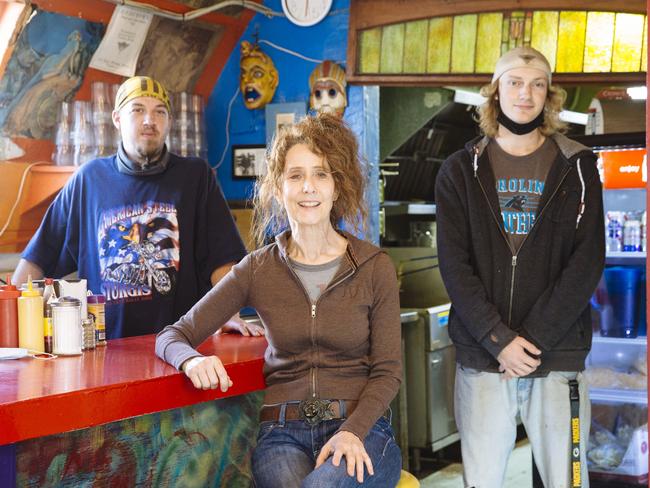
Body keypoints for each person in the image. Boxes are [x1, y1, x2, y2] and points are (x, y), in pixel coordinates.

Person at [155, 114, 403, 487]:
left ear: (337, 188)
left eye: (321, 174)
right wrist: (190, 360)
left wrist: (352, 431)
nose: (308, 188)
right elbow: (172, 335)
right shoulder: (257, 268)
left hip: (363, 429)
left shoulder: (373, 267)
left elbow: (388, 372)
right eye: (295, 175)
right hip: (283, 434)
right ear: (278, 188)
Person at [435, 46, 605, 488]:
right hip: (483, 358)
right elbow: (454, 267)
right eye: (514, 82)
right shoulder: (459, 171)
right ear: (495, 92)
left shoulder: (579, 167)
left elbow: (586, 263)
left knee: (567, 481)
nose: (525, 94)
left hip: (557, 356)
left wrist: (531, 341)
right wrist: (499, 340)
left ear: (549, 96)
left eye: (537, 84)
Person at [13, 76, 261, 339]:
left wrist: (228, 315)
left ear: (169, 121)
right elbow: (39, 256)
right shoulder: (88, 180)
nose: (149, 120)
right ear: (117, 119)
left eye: (159, 112)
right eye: (138, 110)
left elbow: (221, 256)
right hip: (106, 349)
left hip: (184, 346)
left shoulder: (196, 176)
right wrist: (11, 312)